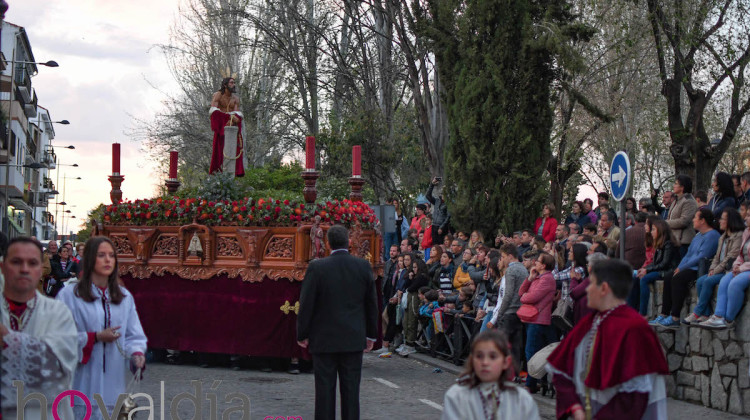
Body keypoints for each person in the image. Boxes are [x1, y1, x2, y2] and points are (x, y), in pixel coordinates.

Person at [547, 258, 669, 420]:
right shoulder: (590, 322)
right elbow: (562, 370)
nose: (587, 290)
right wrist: (575, 407)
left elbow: (635, 396)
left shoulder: (635, 329)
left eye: (591, 284)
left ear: (604, 288)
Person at [56, 237, 147, 419]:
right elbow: (57, 337)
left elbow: (134, 335)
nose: (108, 260)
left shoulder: (123, 296)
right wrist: (94, 337)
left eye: (112, 255)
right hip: (81, 381)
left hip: (113, 383)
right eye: (101, 255)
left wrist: (136, 353)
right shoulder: (70, 295)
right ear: (90, 259)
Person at [297, 224, 378, 420]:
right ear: (349, 242)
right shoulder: (363, 266)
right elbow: (371, 304)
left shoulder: (317, 267)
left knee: (324, 390)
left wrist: (302, 333)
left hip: (324, 339)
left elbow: (307, 303)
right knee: (351, 391)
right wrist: (371, 334)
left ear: (327, 243)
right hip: (352, 338)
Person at [1, 237, 78, 420]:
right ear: (3, 267)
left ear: (41, 271)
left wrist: (8, 339)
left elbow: (60, 364)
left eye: (32, 263)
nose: (24, 269)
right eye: (16, 262)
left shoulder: (57, 312)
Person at [441, 330, 540, 420]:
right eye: (479, 356)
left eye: (493, 357)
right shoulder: (457, 396)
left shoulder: (522, 399)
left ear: (506, 362)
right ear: (472, 360)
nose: (485, 362)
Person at [653, 209, 720, 329]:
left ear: (702, 220)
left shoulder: (713, 236)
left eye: (695, 217)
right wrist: (679, 267)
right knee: (669, 276)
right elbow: (688, 254)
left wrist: (683, 268)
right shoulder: (698, 236)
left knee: (678, 279)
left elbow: (701, 256)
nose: (693, 220)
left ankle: (675, 317)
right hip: (688, 266)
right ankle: (664, 313)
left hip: (698, 269)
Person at [685, 207, 744, 325]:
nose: (719, 221)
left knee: (707, 281)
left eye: (722, 219)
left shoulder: (738, 236)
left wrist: (715, 271)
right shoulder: (722, 237)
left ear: (730, 221)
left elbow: (730, 258)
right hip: (718, 270)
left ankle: (697, 312)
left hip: (728, 270)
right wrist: (712, 269)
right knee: (701, 280)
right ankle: (705, 314)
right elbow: (717, 257)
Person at [698, 208, 750, 329]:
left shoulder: (739, 234)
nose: (746, 218)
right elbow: (740, 255)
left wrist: (741, 268)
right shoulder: (746, 232)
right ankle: (718, 316)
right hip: (742, 268)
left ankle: (728, 319)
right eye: (746, 215)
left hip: (746, 269)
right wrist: (737, 265)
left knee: (735, 284)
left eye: (748, 215)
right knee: (725, 280)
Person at [518, 252, 557, 393]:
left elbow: (531, 297)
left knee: (531, 352)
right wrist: (529, 278)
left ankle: (531, 383)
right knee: (534, 351)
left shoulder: (548, 279)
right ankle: (537, 382)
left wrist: (524, 296)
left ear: (544, 265)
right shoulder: (537, 277)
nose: (535, 263)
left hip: (539, 320)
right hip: (531, 318)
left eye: (538, 261)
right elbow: (521, 292)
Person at [486, 243, 528, 370]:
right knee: (515, 346)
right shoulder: (523, 269)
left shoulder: (511, 270)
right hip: (519, 312)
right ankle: (514, 373)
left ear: (510, 256)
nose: (502, 259)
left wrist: (499, 314)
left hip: (509, 311)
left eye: (503, 256)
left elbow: (508, 295)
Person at [637, 219, 680, 318]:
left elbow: (664, 264)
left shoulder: (668, 244)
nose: (651, 232)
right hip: (660, 269)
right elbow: (655, 262)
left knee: (644, 279)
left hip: (667, 271)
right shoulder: (659, 244)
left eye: (653, 230)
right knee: (636, 277)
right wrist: (644, 268)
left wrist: (647, 270)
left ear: (660, 231)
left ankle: (643, 313)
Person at [209, 76, 245, 176]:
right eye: (231, 83)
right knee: (219, 152)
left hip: (232, 129)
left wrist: (234, 118)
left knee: (235, 150)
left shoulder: (236, 99)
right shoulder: (218, 95)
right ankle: (219, 174)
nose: (234, 85)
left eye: (234, 83)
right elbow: (213, 112)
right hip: (221, 129)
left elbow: (237, 115)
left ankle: (233, 173)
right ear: (225, 85)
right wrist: (228, 118)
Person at [666, 174, 699, 257]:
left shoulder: (689, 201)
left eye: (676, 184)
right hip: (674, 240)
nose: (674, 186)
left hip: (683, 242)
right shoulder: (675, 201)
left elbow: (684, 221)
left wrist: (666, 223)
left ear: (682, 187)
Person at [426, 177, 451, 246]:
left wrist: (442, 227)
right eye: (442, 193)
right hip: (434, 225)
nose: (443, 195)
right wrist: (432, 184)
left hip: (442, 227)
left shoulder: (449, 203)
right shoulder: (437, 201)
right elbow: (428, 196)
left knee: (441, 245)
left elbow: (448, 217)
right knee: (435, 245)